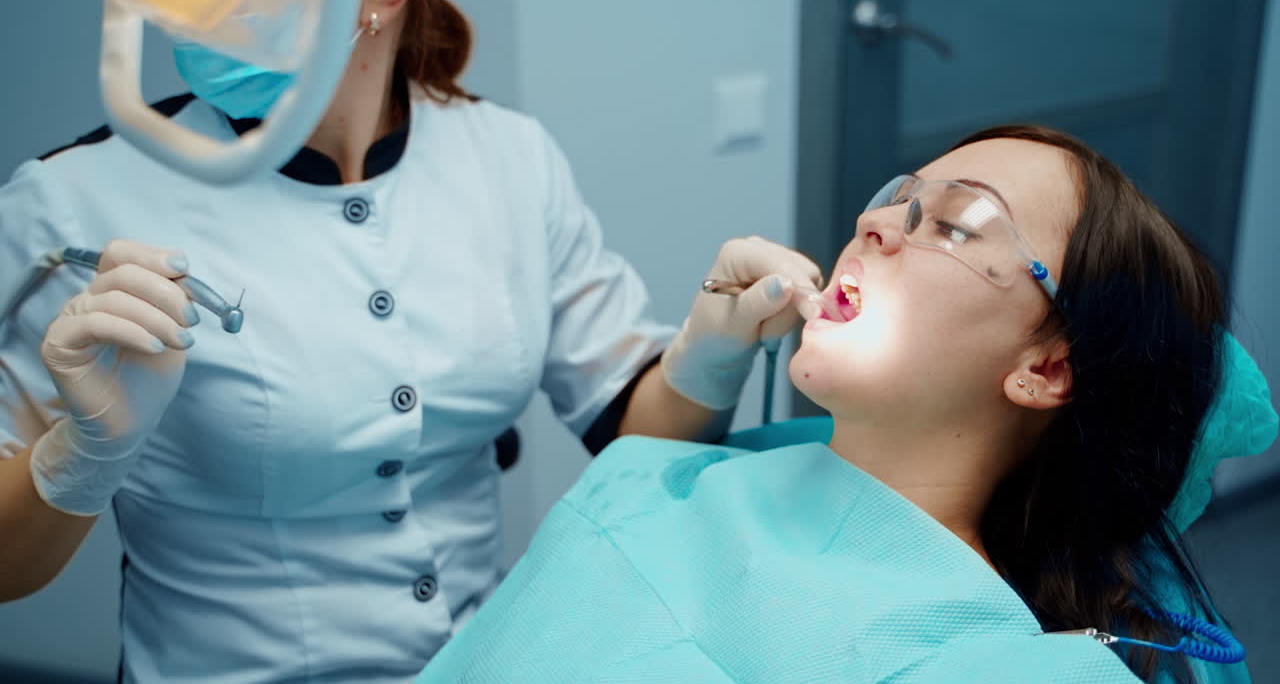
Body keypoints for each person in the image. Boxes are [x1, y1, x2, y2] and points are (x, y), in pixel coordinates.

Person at [0, 0, 821, 680]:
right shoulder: (74, 203)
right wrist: (83, 450)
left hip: (485, 663)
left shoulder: (508, 158)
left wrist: (708, 351)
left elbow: (634, 430)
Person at [413, 126, 1277, 683]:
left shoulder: (1008, 666)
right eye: (897, 199)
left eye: (957, 223)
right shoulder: (674, 472)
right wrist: (698, 360)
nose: (876, 225)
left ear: (1047, 370)